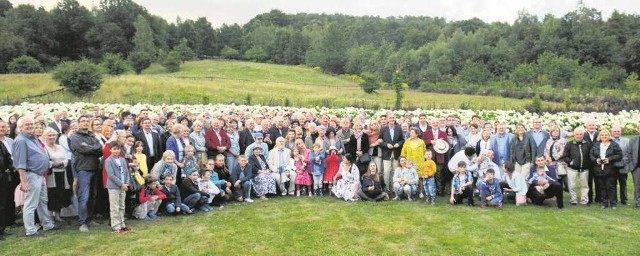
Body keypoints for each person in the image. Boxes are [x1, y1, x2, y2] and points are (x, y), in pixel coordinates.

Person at [13, 116, 58, 236]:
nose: (30, 126)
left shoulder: (33, 138)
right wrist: (24, 181)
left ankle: (47, 225)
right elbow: (20, 163)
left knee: (43, 201)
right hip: (31, 174)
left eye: (31, 124)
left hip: (39, 174)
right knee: (31, 203)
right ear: (20, 127)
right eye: (27, 125)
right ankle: (30, 230)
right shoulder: (21, 140)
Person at [69, 115, 104, 233]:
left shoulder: (92, 135)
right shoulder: (74, 137)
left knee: (92, 196)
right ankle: (82, 222)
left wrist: (89, 147)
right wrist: (91, 148)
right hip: (83, 169)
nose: (85, 123)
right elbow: (82, 150)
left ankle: (89, 218)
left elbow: (100, 150)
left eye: (87, 121)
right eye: (83, 121)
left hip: (95, 167)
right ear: (78, 123)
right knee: (84, 196)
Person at [43, 127, 71, 223]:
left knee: (61, 194)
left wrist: (62, 163)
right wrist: (53, 164)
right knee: (51, 194)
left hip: (62, 174)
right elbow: (45, 160)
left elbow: (66, 158)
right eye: (49, 135)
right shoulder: (43, 148)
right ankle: (49, 216)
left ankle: (58, 216)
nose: (52, 137)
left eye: (53, 135)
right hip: (51, 175)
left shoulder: (60, 147)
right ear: (45, 136)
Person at [590, 129, 623, 209]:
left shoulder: (614, 145)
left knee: (610, 187)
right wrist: (596, 160)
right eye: (602, 135)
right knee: (602, 187)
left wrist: (610, 159)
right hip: (599, 169)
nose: (604, 136)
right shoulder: (596, 145)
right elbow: (591, 155)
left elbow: (619, 155)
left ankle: (613, 203)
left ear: (609, 136)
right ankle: (604, 203)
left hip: (610, 169)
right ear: (600, 136)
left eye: (606, 135)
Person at [104, 141, 131, 233]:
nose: (116, 151)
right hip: (114, 187)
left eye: (118, 149)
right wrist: (121, 184)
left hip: (123, 186)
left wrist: (126, 183)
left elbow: (127, 172)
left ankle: (122, 224)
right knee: (114, 207)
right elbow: (111, 175)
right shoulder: (108, 161)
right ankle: (116, 226)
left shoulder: (123, 160)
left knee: (122, 206)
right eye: (114, 149)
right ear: (110, 150)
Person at [562, 127, 593, 205]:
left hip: (585, 169)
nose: (579, 136)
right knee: (572, 185)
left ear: (583, 135)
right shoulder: (569, 144)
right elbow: (565, 155)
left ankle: (584, 200)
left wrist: (589, 163)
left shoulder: (587, 144)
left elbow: (591, 155)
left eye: (580, 134)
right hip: (572, 169)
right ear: (574, 135)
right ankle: (573, 200)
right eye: (577, 134)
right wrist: (570, 162)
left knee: (585, 186)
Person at [423, 118, 448, 196]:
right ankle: (429, 191)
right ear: (430, 124)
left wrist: (440, 142)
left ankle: (439, 191)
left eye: (437, 122)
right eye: (433, 122)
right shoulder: (426, 132)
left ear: (439, 123)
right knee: (428, 173)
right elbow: (423, 142)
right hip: (429, 157)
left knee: (439, 174)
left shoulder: (443, 133)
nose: (435, 124)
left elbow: (447, 143)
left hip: (440, 156)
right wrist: (430, 141)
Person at [380, 112, 405, 193]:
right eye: (390, 118)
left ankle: (395, 189)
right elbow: (380, 142)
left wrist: (398, 144)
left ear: (395, 119)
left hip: (396, 153)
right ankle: (386, 189)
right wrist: (386, 145)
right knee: (386, 172)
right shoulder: (383, 129)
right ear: (387, 119)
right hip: (386, 154)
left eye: (393, 118)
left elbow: (402, 140)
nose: (392, 119)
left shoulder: (398, 128)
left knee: (395, 171)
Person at [401, 128, 426, 197]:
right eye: (410, 132)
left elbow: (424, 151)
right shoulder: (407, 142)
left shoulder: (421, 142)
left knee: (419, 177)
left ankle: (421, 192)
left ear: (416, 134)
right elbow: (403, 152)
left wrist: (423, 160)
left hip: (419, 162)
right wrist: (403, 162)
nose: (410, 134)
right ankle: (411, 193)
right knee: (409, 176)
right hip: (409, 162)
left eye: (412, 132)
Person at [611, 126, 630, 205]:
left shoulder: (626, 141)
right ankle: (614, 200)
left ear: (621, 132)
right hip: (611, 166)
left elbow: (629, 152)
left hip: (623, 165)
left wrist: (623, 161)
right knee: (613, 183)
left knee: (623, 184)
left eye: (618, 131)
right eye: (615, 131)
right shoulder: (608, 140)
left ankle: (624, 200)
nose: (616, 132)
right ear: (612, 132)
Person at [544, 126, 568, 191]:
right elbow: (545, 150)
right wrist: (548, 158)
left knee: (561, 176)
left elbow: (563, 151)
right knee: (553, 176)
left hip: (559, 162)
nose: (555, 132)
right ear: (551, 132)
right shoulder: (549, 141)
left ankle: (563, 189)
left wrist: (554, 159)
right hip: (550, 162)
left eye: (557, 131)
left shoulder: (563, 140)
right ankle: (554, 190)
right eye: (554, 131)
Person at [625, 122, 640, 208]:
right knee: (637, 185)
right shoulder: (633, 140)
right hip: (637, 167)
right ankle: (638, 202)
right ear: (638, 130)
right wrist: (631, 165)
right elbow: (629, 153)